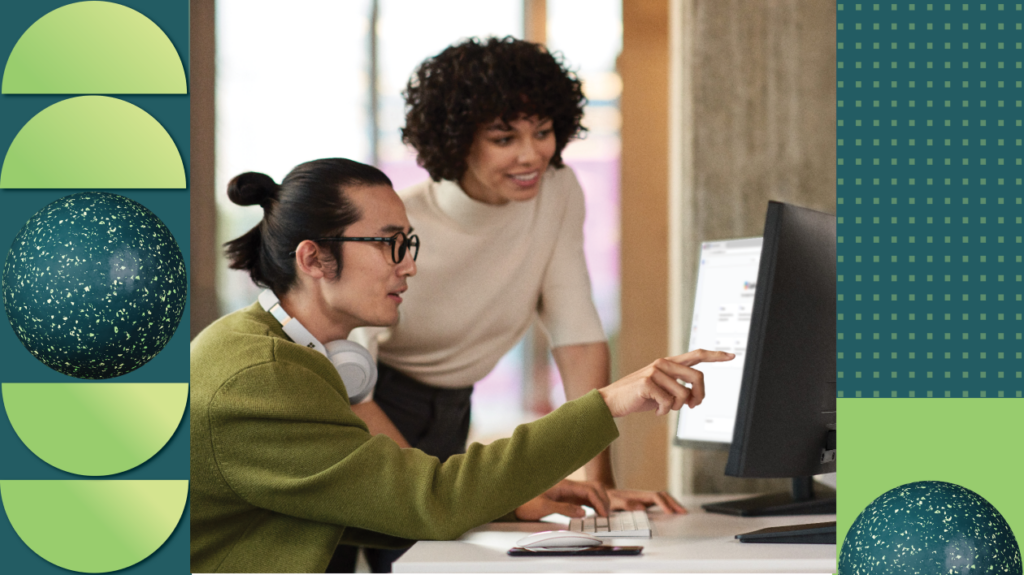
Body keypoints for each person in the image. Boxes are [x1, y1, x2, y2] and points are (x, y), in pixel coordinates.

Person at [189, 158, 733, 573]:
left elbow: (376, 504)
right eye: (390, 244)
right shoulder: (259, 377)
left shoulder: (284, 354)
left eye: (410, 243)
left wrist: (513, 501)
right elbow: (431, 502)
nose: (410, 265)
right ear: (313, 259)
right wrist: (610, 402)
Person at [346, 36, 679, 566]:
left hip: (454, 410)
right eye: (504, 138)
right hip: (367, 407)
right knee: (351, 559)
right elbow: (351, 386)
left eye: (542, 132)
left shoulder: (557, 191)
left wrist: (602, 488)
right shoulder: (401, 223)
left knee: (433, 564)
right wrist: (439, 494)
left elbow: (577, 337)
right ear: (458, 141)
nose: (531, 155)